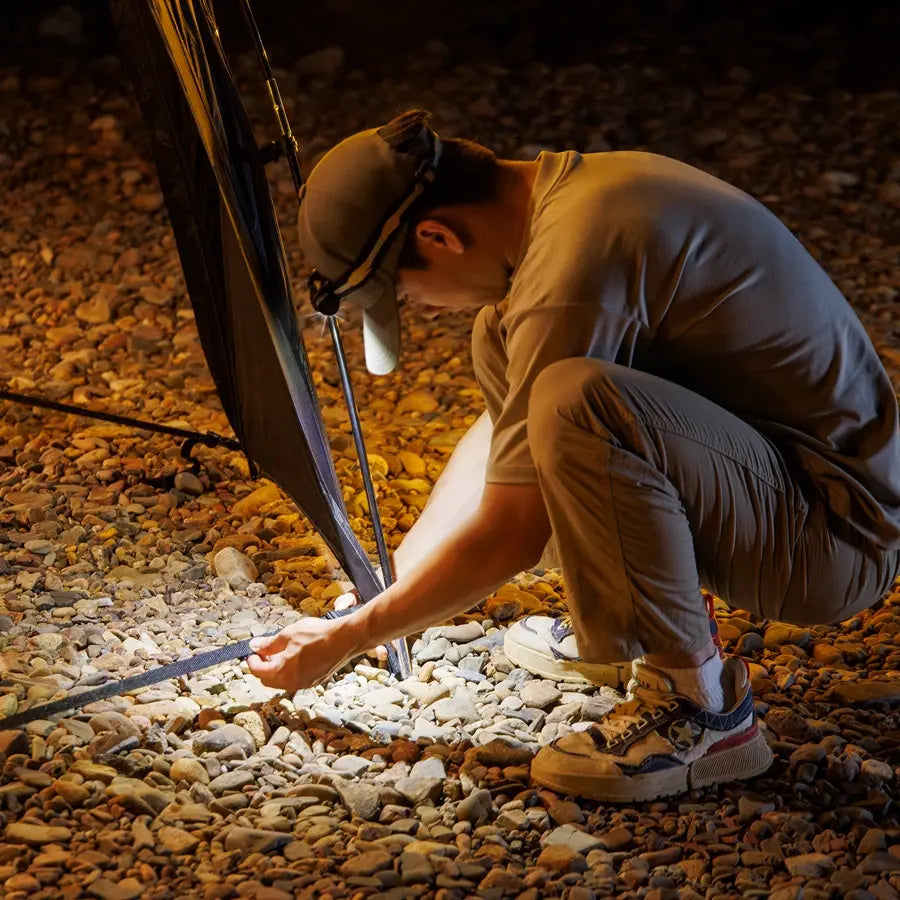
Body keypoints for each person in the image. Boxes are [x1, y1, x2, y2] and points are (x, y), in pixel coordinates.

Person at [247, 109, 900, 802]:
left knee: (576, 402)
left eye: (404, 294)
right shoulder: (568, 202)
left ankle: (699, 707)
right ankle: (643, 617)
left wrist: (349, 638)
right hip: (781, 483)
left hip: (833, 539)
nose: (422, 310)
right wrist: (389, 581)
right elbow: (507, 444)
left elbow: (511, 531)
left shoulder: (574, 267)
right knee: (508, 343)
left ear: (439, 236)